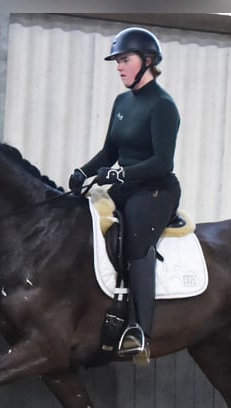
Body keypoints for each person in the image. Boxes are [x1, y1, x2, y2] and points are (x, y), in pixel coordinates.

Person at [69, 26, 182, 362]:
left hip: (155, 188)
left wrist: (122, 172)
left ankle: (140, 331)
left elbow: (162, 161)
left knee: (134, 238)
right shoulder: (122, 101)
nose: (119, 66)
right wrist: (82, 172)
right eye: (117, 60)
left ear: (147, 62)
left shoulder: (163, 106)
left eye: (125, 59)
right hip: (124, 185)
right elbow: (109, 152)